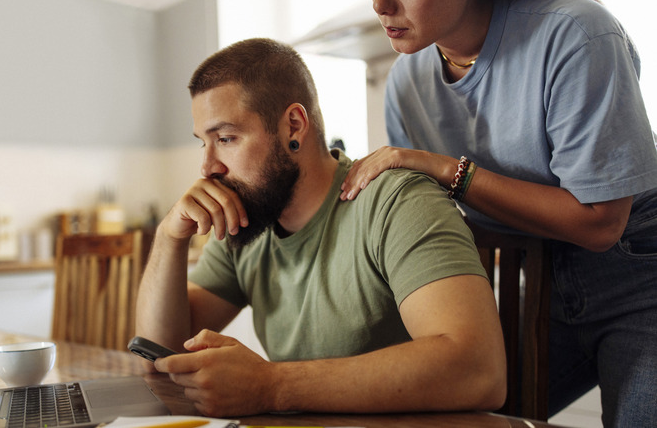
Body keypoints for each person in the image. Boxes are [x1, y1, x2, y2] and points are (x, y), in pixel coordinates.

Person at [134, 38, 507, 417]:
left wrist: (271, 386)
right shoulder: (246, 221)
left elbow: (478, 370)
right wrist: (169, 238)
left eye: (226, 138)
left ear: (293, 126)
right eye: (204, 143)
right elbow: (161, 356)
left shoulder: (396, 201)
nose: (208, 167)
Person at [341, 0, 657, 426]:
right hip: (536, 280)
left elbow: (601, 224)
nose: (380, 4)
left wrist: (449, 170)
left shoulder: (577, 32)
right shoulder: (406, 81)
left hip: (640, 276)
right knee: (437, 405)